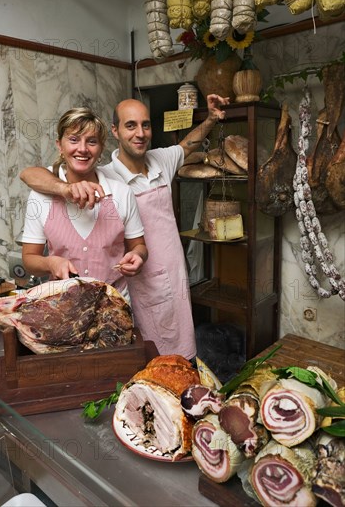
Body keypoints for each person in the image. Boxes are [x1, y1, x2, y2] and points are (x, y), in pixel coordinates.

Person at [20, 94, 229, 359]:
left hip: (168, 273)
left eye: (145, 125)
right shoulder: (104, 173)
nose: (139, 133)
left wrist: (211, 118)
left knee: (177, 354)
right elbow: (30, 174)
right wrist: (67, 189)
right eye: (131, 125)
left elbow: (188, 144)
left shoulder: (159, 162)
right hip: (124, 289)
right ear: (115, 132)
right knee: (143, 356)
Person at [21, 107, 147, 302]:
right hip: (62, 307)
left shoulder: (121, 193)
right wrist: (50, 263)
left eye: (92, 141)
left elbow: (138, 245)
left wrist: (138, 256)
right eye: (73, 140)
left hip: (114, 305)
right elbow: (29, 258)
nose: (82, 149)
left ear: (101, 148)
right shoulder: (41, 195)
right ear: (60, 146)